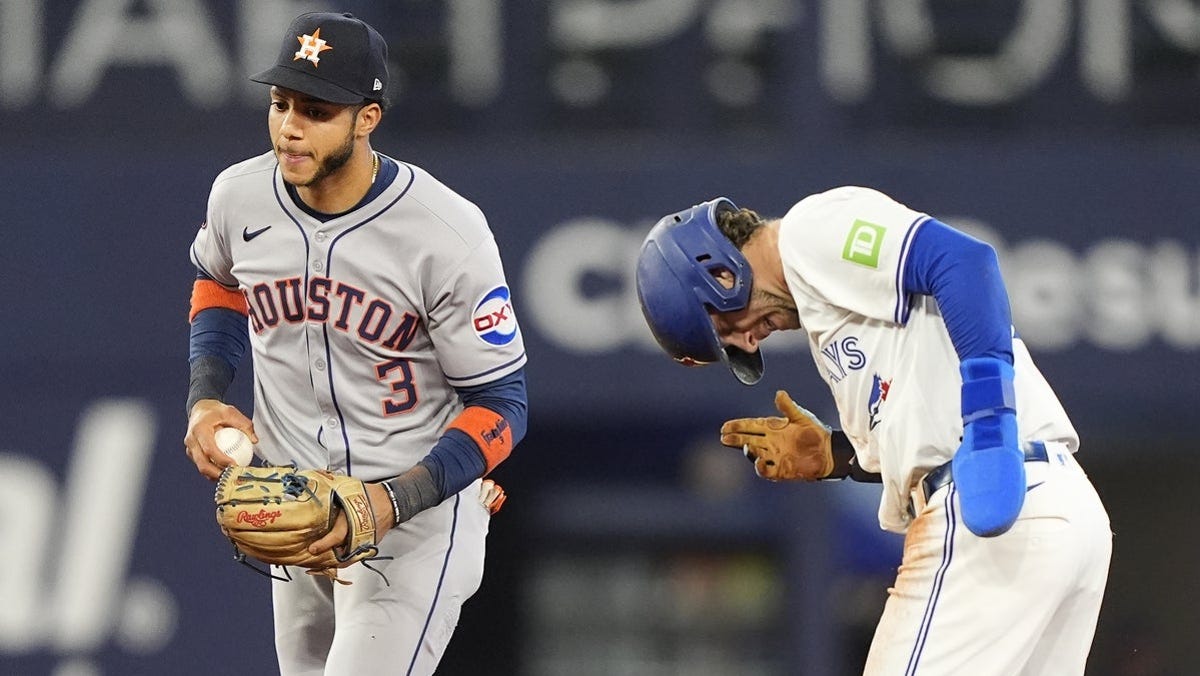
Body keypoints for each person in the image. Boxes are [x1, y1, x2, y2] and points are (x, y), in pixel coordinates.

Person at [635, 188, 1111, 675]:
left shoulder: (808, 232)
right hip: (1060, 512)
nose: (746, 341)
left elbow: (964, 262)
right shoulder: (828, 312)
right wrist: (835, 455)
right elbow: (922, 431)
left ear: (717, 269)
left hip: (995, 501)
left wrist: (989, 423)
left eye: (722, 327)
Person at [182, 11, 527, 675]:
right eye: (280, 104)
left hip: (413, 524)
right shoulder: (240, 196)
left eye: (315, 110)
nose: (289, 126)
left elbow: (504, 405)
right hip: (294, 505)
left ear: (367, 118)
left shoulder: (446, 232)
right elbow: (218, 282)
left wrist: (393, 499)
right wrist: (205, 396)